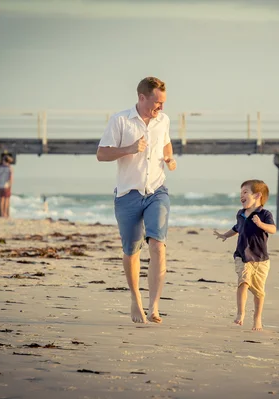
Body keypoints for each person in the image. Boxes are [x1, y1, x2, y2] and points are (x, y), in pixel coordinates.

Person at [96, 76, 177, 324]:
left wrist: (170, 159)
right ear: (142, 98)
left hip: (156, 191)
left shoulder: (163, 120)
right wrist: (129, 149)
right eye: (157, 102)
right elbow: (101, 154)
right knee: (131, 250)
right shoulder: (120, 120)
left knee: (157, 244)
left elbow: (166, 144)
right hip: (127, 194)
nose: (161, 107)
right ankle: (135, 299)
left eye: (163, 103)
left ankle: (154, 306)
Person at [214, 179, 276, 331]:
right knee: (243, 282)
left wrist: (260, 224)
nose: (241, 195)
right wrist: (225, 235)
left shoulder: (265, 214)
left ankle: (257, 318)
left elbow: (273, 229)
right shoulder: (240, 214)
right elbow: (236, 228)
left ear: (257, 195)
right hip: (242, 256)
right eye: (240, 193)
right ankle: (240, 313)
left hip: (261, 259)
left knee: (259, 293)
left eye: (245, 192)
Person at [0, 154, 13, 218]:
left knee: (1, 200)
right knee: (6, 200)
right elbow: (10, 178)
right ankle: (5, 213)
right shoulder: (9, 168)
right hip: (6, 185)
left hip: (0, 185)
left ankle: (1, 213)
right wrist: (10, 185)